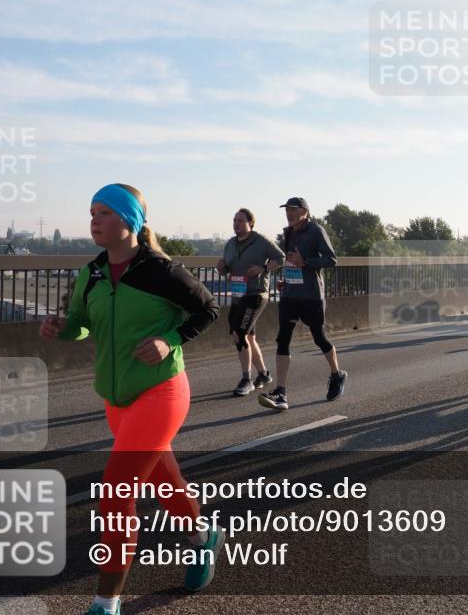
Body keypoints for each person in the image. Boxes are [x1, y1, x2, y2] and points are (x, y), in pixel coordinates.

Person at [40, 183, 223, 613]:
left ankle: (106, 602)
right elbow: (83, 324)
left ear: (128, 221)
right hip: (116, 399)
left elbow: (208, 309)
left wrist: (170, 340)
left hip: (161, 391)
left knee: (116, 490)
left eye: (103, 212)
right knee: (165, 482)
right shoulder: (93, 273)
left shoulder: (162, 270)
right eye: (91, 212)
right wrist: (63, 328)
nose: (93, 220)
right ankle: (203, 538)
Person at [258, 198, 346, 411]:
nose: (289, 214)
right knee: (283, 339)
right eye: (287, 210)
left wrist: (305, 261)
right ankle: (280, 392)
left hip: (311, 296)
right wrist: (286, 278)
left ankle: (337, 374)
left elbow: (331, 260)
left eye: (293, 210)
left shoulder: (316, 230)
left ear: (304, 212)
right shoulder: (289, 232)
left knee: (319, 337)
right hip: (290, 295)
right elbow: (291, 260)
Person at [217, 208, 285, 396]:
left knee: (239, 333)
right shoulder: (230, 244)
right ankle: (263, 374)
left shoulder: (261, 241)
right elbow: (227, 268)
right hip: (238, 295)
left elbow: (281, 258)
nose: (236, 223)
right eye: (234, 220)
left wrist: (263, 268)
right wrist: (221, 268)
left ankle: (246, 379)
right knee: (248, 336)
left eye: (240, 220)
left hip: (256, 294)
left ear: (250, 223)